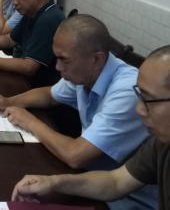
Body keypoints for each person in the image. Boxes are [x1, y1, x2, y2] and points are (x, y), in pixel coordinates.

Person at [0, 15, 156, 209]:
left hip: (126, 201)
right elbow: (50, 94)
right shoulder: (86, 71)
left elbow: (76, 156)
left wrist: (29, 122)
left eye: (63, 60)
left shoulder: (127, 92)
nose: (58, 67)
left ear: (96, 59)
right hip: (95, 183)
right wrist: (8, 102)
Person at [11, 45, 170, 210]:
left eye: (148, 99)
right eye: (140, 96)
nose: (139, 109)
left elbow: (76, 156)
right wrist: (54, 183)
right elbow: (115, 182)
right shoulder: (161, 143)